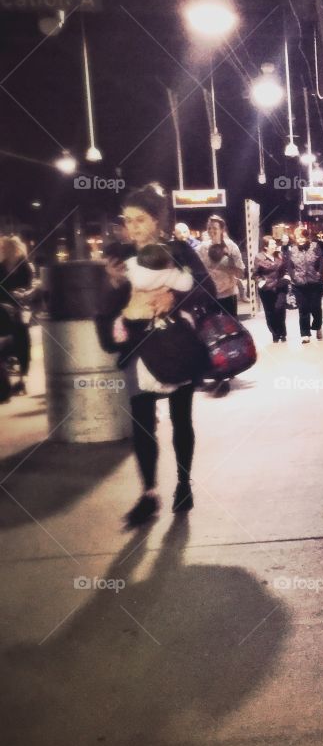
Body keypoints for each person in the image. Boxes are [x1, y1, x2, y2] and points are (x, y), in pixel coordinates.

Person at [96, 183, 215, 527]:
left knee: (182, 419)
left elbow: (206, 286)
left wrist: (174, 300)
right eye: (128, 221)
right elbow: (106, 309)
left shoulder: (179, 251)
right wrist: (115, 287)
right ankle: (148, 493)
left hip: (176, 345)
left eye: (140, 220)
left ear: (158, 221)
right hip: (138, 349)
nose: (132, 228)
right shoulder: (118, 260)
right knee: (142, 424)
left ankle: (183, 483)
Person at [198, 215, 245, 393]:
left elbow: (240, 272)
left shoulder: (231, 246)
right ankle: (215, 367)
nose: (211, 231)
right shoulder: (202, 248)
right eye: (209, 228)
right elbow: (197, 271)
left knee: (229, 333)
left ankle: (231, 365)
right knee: (210, 333)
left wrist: (225, 263)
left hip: (227, 295)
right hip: (208, 296)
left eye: (215, 228)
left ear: (222, 229)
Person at [0, 236, 35, 395]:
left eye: (4, 247)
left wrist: (21, 294)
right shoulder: (1, 266)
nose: (2, 250)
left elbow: (28, 287)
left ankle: (23, 376)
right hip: (3, 307)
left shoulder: (25, 266)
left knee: (22, 334)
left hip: (20, 306)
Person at [284, 225, 323, 342]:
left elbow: (321, 263)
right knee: (303, 309)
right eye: (298, 238)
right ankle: (305, 334)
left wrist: (318, 275)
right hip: (299, 285)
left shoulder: (315, 247)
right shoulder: (292, 250)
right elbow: (290, 267)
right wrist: (294, 278)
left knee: (315, 307)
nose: (300, 240)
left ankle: (318, 326)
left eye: (302, 237)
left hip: (315, 284)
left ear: (307, 237)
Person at [254, 235, 288, 342]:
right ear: (266, 247)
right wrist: (260, 282)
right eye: (272, 244)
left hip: (280, 287)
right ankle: (275, 334)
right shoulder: (259, 257)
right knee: (270, 312)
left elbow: (285, 269)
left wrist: (286, 276)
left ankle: (282, 333)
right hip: (266, 289)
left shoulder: (280, 255)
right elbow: (255, 274)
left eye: (274, 243)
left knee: (280, 309)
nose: (275, 245)